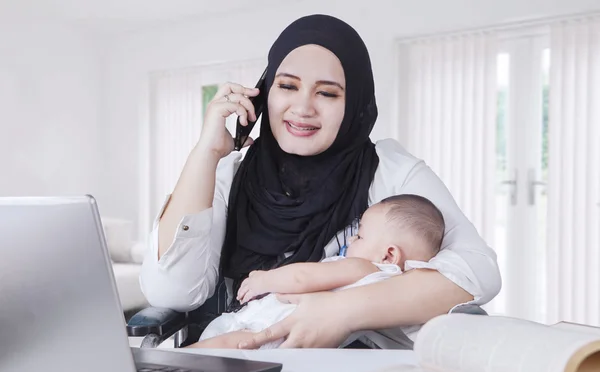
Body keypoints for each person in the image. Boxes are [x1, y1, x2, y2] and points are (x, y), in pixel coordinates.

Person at [140, 14, 501, 349]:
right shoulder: (229, 173)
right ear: (266, 91)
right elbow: (171, 292)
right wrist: (205, 152)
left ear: (355, 102)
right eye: (287, 86)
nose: (303, 108)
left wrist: (341, 310)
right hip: (243, 367)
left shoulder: (389, 171)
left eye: (327, 93)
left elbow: (478, 272)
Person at [186, 194, 446, 349]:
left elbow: (303, 278)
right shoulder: (391, 287)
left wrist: (264, 279)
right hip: (287, 334)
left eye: (360, 236)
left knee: (204, 355)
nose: (351, 241)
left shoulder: (365, 268)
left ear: (388, 254)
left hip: (270, 328)